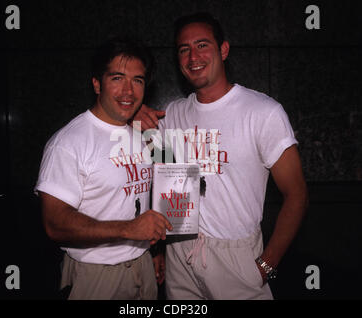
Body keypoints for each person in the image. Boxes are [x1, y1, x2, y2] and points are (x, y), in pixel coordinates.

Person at [134, 12, 309, 300]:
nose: (193, 57)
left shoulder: (262, 112)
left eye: (202, 45)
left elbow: (297, 194)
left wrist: (267, 266)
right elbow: (167, 180)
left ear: (223, 50)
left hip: (236, 258)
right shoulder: (173, 114)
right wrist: (134, 114)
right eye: (184, 49)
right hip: (181, 257)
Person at [34, 37, 172, 300]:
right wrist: (128, 229)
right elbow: (54, 224)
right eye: (117, 78)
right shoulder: (68, 142)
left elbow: (170, 183)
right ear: (97, 83)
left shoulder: (146, 131)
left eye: (138, 80)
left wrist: (154, 251)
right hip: (95, 275)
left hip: (142, 266)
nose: (128, 91)